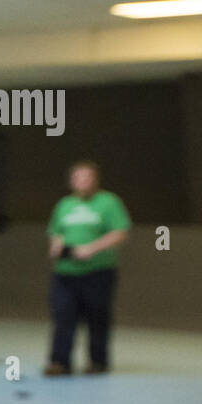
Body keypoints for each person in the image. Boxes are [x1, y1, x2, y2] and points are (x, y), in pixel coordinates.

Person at [44, 161, 130, 376]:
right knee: (63, 316)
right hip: (65, 272)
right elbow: (56, 231)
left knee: (97, 317)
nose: (82, 182)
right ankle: (60, 362)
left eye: (87, 177)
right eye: (78, 178)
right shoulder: (64, 204)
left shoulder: (108, 202)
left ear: (95, 180)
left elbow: (120, 232)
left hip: (98, 272)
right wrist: (56, 244)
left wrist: (92, 248)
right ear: (71, 181)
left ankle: (98, 362)